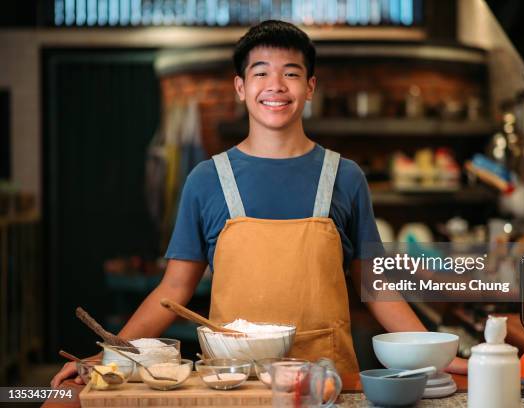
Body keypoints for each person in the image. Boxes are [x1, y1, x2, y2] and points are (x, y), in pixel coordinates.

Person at [51, 20, 466, 388]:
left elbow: (376, 289)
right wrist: (111, 355)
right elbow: (173, 289)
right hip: (234, 385)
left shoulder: (346, 177)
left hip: (327, 385)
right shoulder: (206, 180)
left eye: (291, 73)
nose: (276, 86)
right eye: (261, 72)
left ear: (310, 87)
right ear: (240, 87)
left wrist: (434, 358)